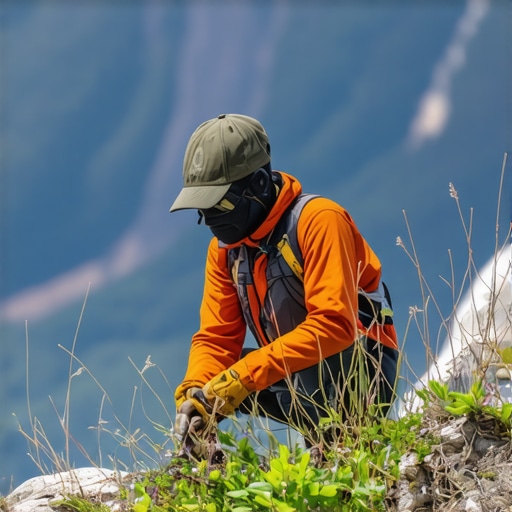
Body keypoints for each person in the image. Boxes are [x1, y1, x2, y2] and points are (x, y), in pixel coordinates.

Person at [169, 113, 399, 452]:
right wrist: (196, 392)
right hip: (296, 374)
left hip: (362, 371)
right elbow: (215, 338)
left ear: (259, 184)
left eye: (220, 204)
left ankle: (347, 446)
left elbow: (334, 327)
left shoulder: (320, 221)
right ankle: (206, 464)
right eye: (203, 209)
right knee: (213, 384)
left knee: (240, 374)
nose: (210, 220)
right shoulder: (226, 251)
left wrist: (243, 378)